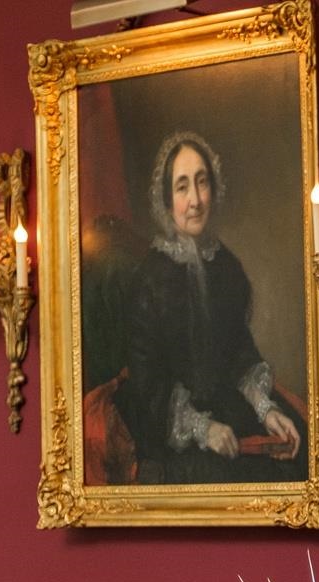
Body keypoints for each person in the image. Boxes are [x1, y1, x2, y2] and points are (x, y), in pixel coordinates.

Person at [111, 129, 304, 485]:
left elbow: (239, 353)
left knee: (296, 452)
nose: (195, 200)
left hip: (228, 411)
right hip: (169, 428)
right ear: (167, 200)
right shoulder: (148, 279)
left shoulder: (227, 268)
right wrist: (203, 428)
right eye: (182, 187)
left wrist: (266, 410)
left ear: (214, 190)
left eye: (202, 183)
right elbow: (148, 382)